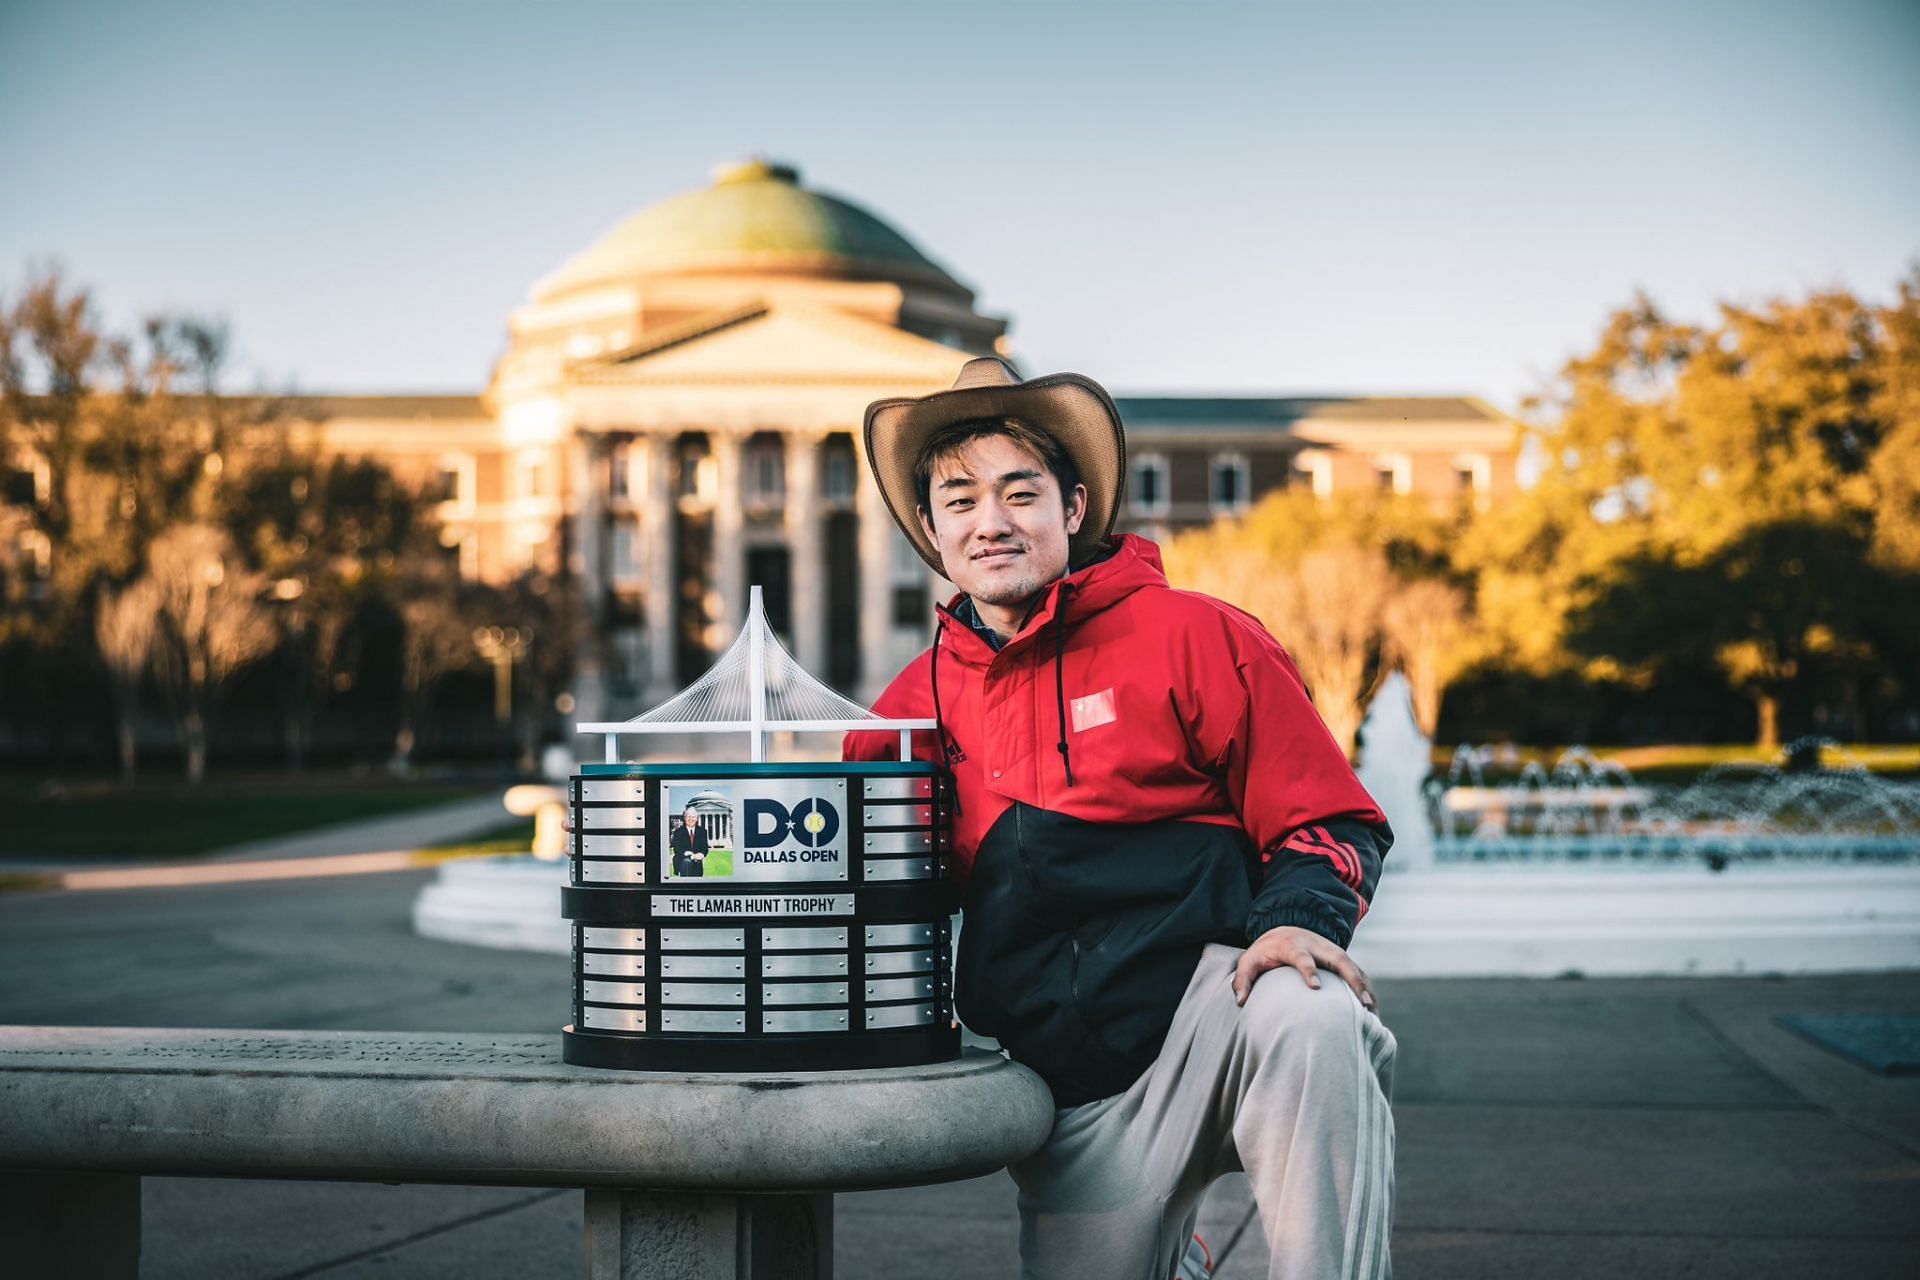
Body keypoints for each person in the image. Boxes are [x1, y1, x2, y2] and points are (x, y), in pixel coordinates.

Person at [844, 358, 1398, 1280]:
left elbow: (1330, 819)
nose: (992, 521)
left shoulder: (1198, 636)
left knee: (1313, 1013)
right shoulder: (907, 710)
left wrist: (1298, 920)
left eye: (1021, 493)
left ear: (1073, 507)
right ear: (933, 534)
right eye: (961, 500)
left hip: (1217, 1015)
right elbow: (871, 896)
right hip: (1075, 1098)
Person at [668, 805, 709, 879]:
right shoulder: (678, 832)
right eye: (688, 817)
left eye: (693, 817)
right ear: (684, 818)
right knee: (686, 863)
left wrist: (702, 854)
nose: (691, 819)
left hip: (697, 864)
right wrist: (692, 856)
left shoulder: (702, 831)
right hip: (683, 863)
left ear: (697, 819)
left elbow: (705, 848)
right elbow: (677, 850)